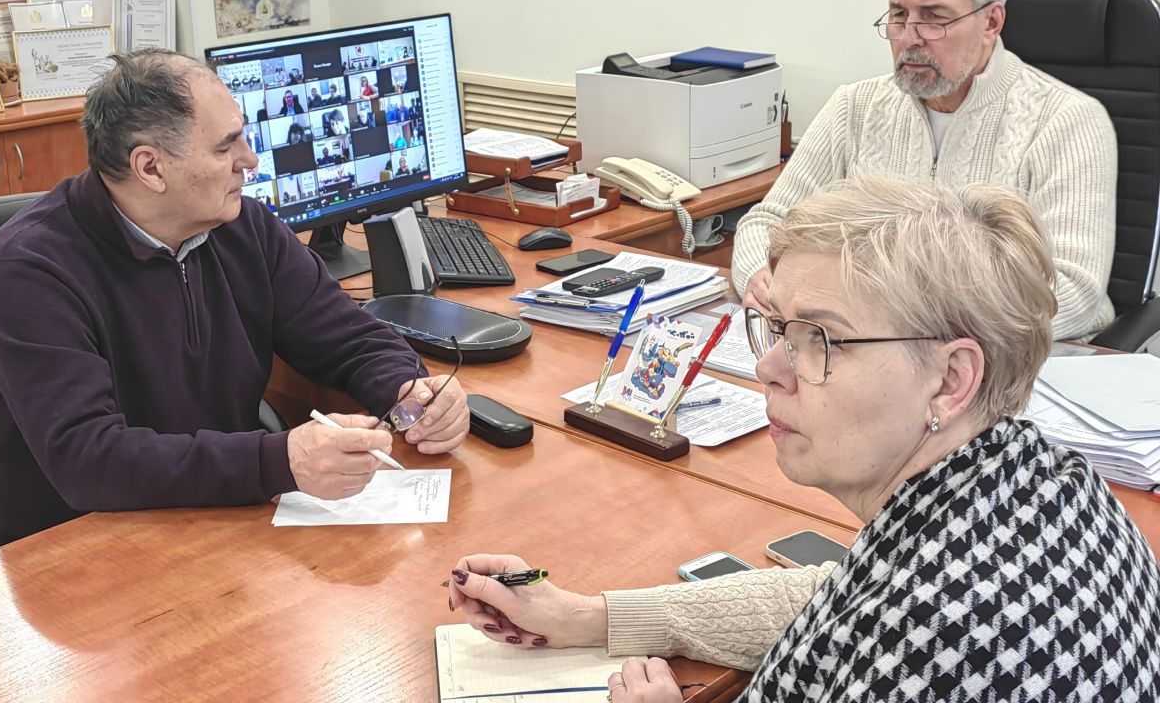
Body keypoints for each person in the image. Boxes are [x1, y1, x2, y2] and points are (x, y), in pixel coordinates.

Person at [451, 178, 1160, 702]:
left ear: (950, 380)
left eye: (819, 338)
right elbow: (841, 596)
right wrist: (590, 617)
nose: (769, 367)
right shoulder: (1047, 483)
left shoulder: (940, 639)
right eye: (778, 328)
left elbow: (896, 623)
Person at [0, 49, 470, 556]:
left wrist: (408, 390)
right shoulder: (29, 271)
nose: (250, 160)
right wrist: (278, 460)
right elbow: (89, 459)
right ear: (151, 168)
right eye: (227, 146)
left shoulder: (244, 227)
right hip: (60, 549)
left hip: (211, 518)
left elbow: (348, 337)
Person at [731, 0, 1117, 341]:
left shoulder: (1068, 121)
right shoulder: (855, 106)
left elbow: (1073, 290)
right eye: (899, 14)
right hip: (858, 344)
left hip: (1014, 360)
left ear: (991, 22)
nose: (909, 37)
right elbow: (767, 222)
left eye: (934, 18)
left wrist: (900, 325)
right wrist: (763, 281)